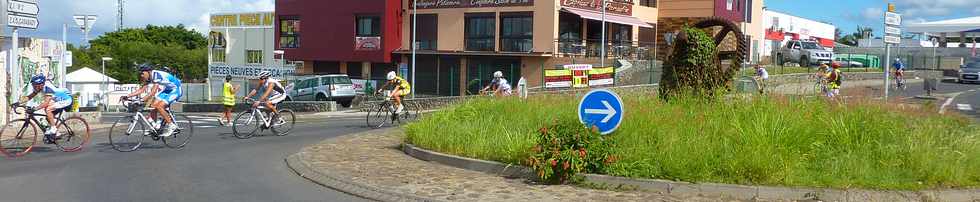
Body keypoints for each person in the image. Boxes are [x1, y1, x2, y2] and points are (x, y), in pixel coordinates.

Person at [121, 64, 183, 137]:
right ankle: (155, 128)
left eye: (142, 73)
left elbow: (152, 92)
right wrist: (127, 96)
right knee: (153, 106)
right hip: (167, 90)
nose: (141, 75)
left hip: (176, 90)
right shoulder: (149, 77)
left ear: (148, 72)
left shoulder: (156, 76)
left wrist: (141, 100)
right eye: (140, 74)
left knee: (159, 106)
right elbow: (141, 89)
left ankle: (172, 126)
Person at [15, 74, 74, 139]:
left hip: (66, 100)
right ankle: (57, 133)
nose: (33, 87)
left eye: (35, 85)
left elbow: (46, 103)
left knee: (48, 109)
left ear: (41, 85)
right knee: (48, 116)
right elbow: (29, 97)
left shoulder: (48, 89)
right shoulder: (40, 87)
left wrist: (34, 109)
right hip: (58, 100)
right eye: (33, 85)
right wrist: (18, 103)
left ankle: (54, 129)